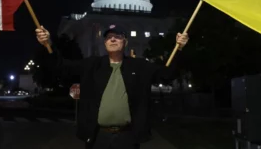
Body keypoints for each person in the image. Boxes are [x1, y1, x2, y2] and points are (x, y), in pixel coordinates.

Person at [35, 24, 189, 149]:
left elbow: (167, 74)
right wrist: (48, 44)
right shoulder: (92, 65)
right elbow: (61, 67)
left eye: (118, 37)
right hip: (97, 136)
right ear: (105, 43)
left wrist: (180, 49)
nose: (113, 39)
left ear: (125, 42)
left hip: (127, 137)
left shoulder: (140, 66)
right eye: (109, 37)